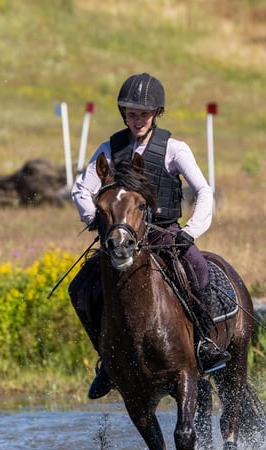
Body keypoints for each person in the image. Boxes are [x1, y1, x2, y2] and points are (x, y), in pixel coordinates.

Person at [68, 72, 230, 399]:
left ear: (156, 114)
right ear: (123, 114)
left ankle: (205, 344)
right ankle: (107, 360)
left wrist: (190, 232)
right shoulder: (109, 148)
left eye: (143, 113)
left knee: (198, 270)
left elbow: (203, 191)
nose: (137, 119)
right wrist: (100, 221)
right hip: (122, 236)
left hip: (165, 235)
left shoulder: (174, 149)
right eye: (131, 113)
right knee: (81, 286)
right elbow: (81, 190)